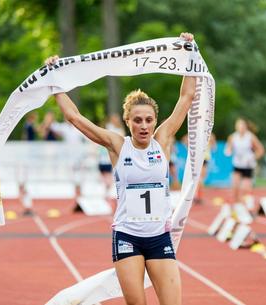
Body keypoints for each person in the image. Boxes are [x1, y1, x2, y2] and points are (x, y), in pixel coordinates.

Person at [45, 32, 196, 305]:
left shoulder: (162, 140)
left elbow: (186, 98)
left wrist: (190, 52)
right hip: (127, 237)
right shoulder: (117, 145)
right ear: (128, 121)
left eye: (149, 120)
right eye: (137, 120)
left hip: (159, 236)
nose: (144, 125)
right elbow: (74, 118)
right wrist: (54, 78)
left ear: (155, 120)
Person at [224, 118, 264, 204]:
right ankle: (236, 205)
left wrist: (252, 157)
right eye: (238, 125)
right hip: (237, 164)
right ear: (236, 127)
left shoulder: (251, 137)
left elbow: (261, 150)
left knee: (246, 188)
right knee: (235, 187)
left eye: (242, 125)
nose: (240, 127)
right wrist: (228, 151)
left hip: (248, 165)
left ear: (246, 126)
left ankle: (247, 206)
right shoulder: (232, 137)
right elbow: (228, 149)